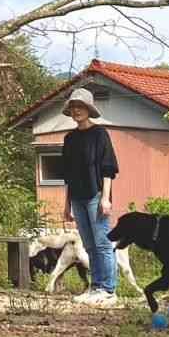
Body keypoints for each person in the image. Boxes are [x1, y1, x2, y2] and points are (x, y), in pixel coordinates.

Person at [61, 88, 120, 306]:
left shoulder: (100, 134)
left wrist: (105, 198)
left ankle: (108, 290)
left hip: (96, 195)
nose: (76, 110)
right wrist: (66, 205)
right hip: (77, 197)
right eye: (73, 107)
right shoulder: (69, 139)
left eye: (80, 106)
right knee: (89, 245)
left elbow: (108, 169)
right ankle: (95, 287)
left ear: (88, 110)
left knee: (103, 243)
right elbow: (67, 176)